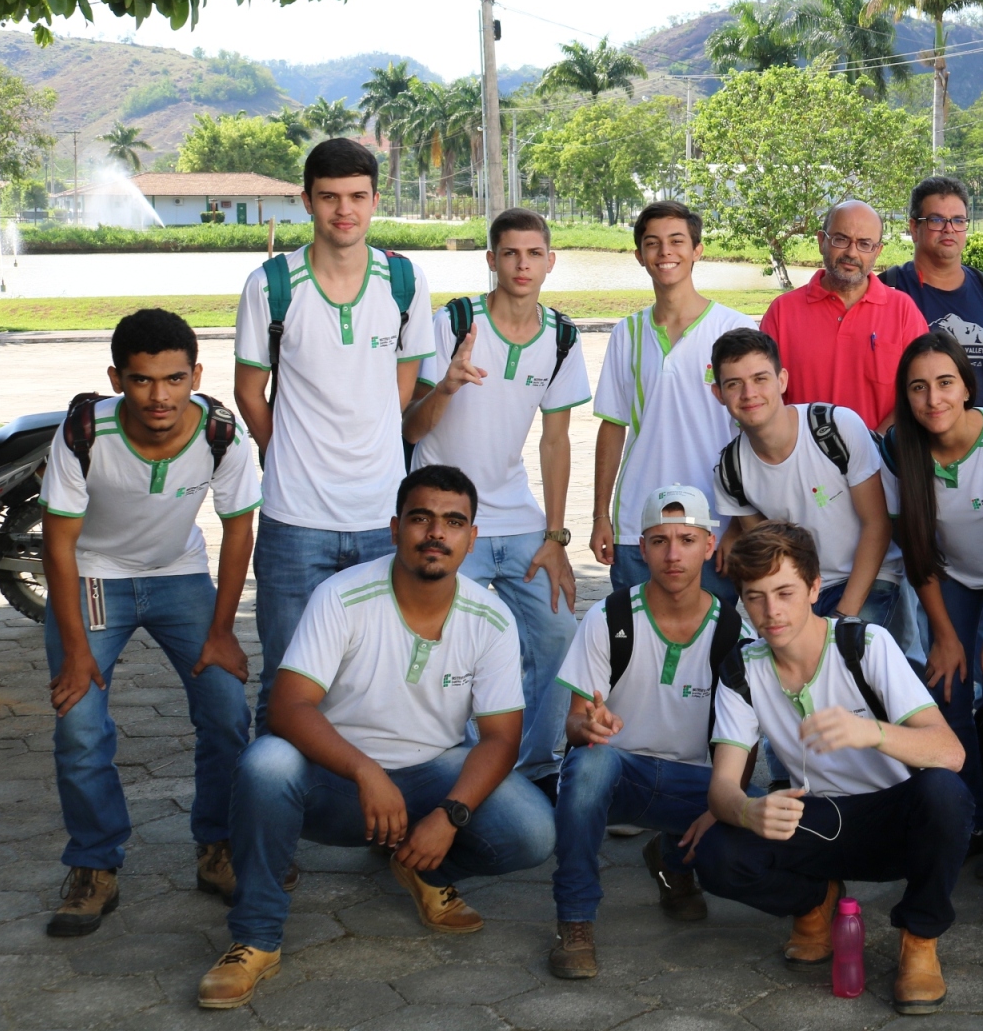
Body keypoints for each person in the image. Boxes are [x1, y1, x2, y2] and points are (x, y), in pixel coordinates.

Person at [197, 466, 555, 1010]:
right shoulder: (342, 595)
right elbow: (288, 707)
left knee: (533, 829)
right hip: (337, 785)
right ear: (395, 528)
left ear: (471, 538)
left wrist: (448, 816)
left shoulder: (492, 619)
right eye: (421, 518)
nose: (436, 533)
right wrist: (365, 771)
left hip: (430, 779)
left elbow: (501, 740)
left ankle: (423, 866)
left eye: (453, 522)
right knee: (266, 763)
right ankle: (256, 938)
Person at [39, 310, 260, 935]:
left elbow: (239, 529)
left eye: (173, 378)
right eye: (141, 380)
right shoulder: (84, 431)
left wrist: (223, 631)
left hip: (178, 575)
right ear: (117, 379)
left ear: (196, 374)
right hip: (94, 577)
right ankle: (94, 864)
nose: (159, 396)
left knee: (226, 711)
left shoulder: (221, 433)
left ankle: (218, 847)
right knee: (80, 726)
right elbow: (57, 544)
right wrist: (75, 651)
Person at [697, 522, 970, 1016]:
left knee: (945, 794)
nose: (771, 611)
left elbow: (950, 753)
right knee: (717, 853)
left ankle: (919, 939)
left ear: (814, 588)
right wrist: (747, 810)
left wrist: (873, 732)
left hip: (893, 822)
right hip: (819, 819)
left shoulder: (864, 644)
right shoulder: (742, 668)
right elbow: (722, 788)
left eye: (785, 592)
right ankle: (813, 903)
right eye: (755, 597)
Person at [233, 137, 434, 729]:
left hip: (381, 517)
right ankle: (277, 789)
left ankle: (365, 787)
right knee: (286, 682)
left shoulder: (404, 281)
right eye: (329, 197)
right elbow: (249, 391)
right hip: (294, 520)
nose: (344, 210)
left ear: (375, 200)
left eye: (356, 196)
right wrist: (283, 452)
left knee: (378, 679)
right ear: (307, 201)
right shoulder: (271, 284)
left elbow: (402, 390)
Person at [405, 208, 592, 792]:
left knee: (558, 632)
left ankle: (534, 767)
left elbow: (556, 441)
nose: (522, 265)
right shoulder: (453, 323)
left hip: (515, 516)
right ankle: (450, 765)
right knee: (439, 643)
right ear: (492, 260)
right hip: (446, 519)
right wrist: (447, 385)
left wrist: (556, 537)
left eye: (534, 254)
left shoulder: (561, 338)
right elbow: (411, 427)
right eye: (510, 253)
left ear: (550, 261)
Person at [546, 486, 743, 979]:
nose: (673, 554)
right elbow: (574, 723)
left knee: (759, 814)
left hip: (691, 786)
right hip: (617, 776)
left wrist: (728, 803)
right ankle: (575, 918)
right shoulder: (608, 617)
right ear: (642, 548)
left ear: (710, 545)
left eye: (687, 540)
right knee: (589, 761)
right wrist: (588, 725)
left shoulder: (733, 632)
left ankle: (673, 861)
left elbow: (744, 744)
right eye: (659, 541)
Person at [886, 330, 983, 880]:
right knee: (946, 687)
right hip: (949, 576)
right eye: (918, 387)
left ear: (968, 385)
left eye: (945, 383)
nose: (934, 399)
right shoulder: (899, 448)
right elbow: (917, 548)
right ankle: (969, 818)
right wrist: (946, 636)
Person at [592, 200, 752, 601]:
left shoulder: (734, 329)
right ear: (639, 255)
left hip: (713, 528)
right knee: (633, 636)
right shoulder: (626, 333)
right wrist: (600, 516)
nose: (665, 252)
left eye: (677, 241)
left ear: (697, 250)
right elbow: (612, 426)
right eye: (653, 243)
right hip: (638, 525)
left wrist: (739, 524)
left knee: (711, 637)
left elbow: (755, 433)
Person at [708, 327, 906, 636]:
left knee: (847, 654)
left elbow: (877, 525)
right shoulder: (730, 469)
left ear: (782, 380)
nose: (749, 393)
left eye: (760, 379)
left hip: (870, 577)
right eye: (734, 384)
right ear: (718, 393)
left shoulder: (836, 428)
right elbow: (770, 553)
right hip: (801, 588)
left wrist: (842, 617)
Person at [760, 199, 928, 432]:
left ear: (878, 251)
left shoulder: (903, 311)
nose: (851, 252)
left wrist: (873, 445)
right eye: (841, 239)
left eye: (865, 244)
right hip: (802, 454)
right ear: (822, 241)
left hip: (883, 452)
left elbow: (922, 390)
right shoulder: (782, 312)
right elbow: (764, 394)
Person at [881, 176, 983, 409]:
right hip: (899, 432)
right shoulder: (883, 293)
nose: (949, 229)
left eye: (958, 220)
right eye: (936, 220)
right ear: (914, 228)